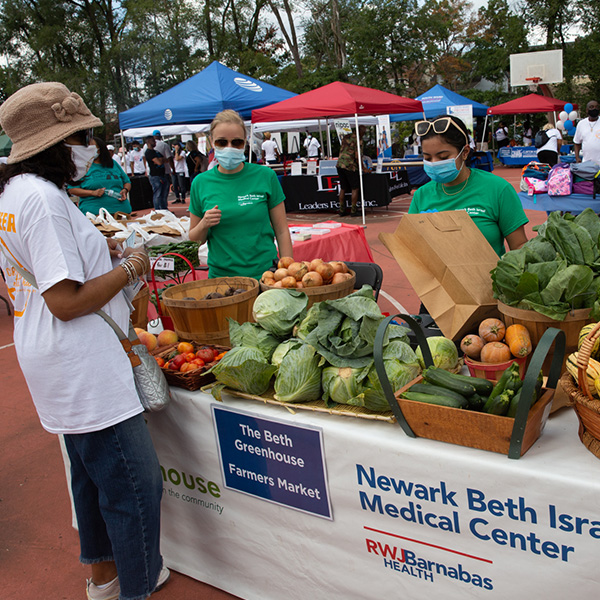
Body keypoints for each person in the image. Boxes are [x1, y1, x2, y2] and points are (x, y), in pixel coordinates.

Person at [0, 82, 169, 600]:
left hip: (49, 353)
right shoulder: (44, 200)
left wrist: (104, 257)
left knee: (91, 476)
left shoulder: (12, 194)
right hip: (82, 360)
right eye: (82, 137)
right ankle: (136, 589)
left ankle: (102, 577)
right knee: (137, 486)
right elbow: (67, 301)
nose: (90, 146)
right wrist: (131, 266)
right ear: (57, 145)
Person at [188, 109, 293, 279]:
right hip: (222, 282)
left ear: (245, 142)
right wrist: (204, 224)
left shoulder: (265, 176)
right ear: (211, 142)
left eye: (236, 142)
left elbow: (281, 231)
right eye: (222, 142)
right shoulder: (200, 183)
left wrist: (289, 273)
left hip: (266, 277)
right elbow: (194, 241)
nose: (229, 147)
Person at [409, 115, 528, 258]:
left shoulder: (498, 189)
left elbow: (519, 246)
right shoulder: (421, 196)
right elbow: (412, 249)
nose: (434, 163)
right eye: (427, 158)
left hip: (489, 279)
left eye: (443, 157)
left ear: (464, 152)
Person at [68, 136, 132, 215]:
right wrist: (93, 193)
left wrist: (125, 190)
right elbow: (72, 189)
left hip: (121, 211)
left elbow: (127, 182)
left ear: (101, 149)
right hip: (95, 213)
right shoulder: (81, 167)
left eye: (92, 147)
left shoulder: (113, 164)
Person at [336, 125, 367, 217]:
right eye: (364, 132)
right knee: (355, 188)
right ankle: (353, 210)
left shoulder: (346, 137)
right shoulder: (358, 140)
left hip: (340, 164)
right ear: (360, 131)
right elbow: (358, 156)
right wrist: (363, 168)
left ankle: (342, 210)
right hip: (350, 166)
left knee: (343, 188)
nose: (364, 134)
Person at [144, 135, 169, 210]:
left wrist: (160, 160)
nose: (155, 142)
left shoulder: (156, 152)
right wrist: (160, 160)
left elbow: (165, 160)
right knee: (157, 193)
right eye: (153, 141)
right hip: (155, 175)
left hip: (162, 174)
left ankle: (164, 208)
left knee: (164, 193)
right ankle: (158, 209)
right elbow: (159, 162)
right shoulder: (149, 153)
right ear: (148, 142)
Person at [574, 100, 600, 165]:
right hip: (587, 164)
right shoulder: (581, 124)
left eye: (596, 107)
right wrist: (577, 157)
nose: (594, 109)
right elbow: (577, 142)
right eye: (591, 107)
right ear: (587, 110)